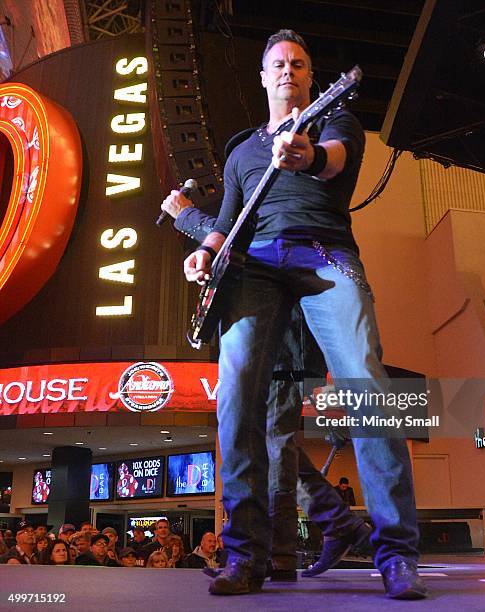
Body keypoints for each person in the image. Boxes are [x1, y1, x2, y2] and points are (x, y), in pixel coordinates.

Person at [179, 29, 426, 599]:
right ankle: (244, 556)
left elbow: (333, 161)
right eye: (278, 64)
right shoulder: (241, 152)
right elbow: (227, 225)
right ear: (264, 78)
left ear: (311, 77)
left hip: (324, 253)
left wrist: (307, 155)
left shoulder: (333, 121)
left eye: (298, 63)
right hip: (256, 267)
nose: (288, 70)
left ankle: (397, 556)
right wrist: (203, 251)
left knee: (366, 381)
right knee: (237, 397)